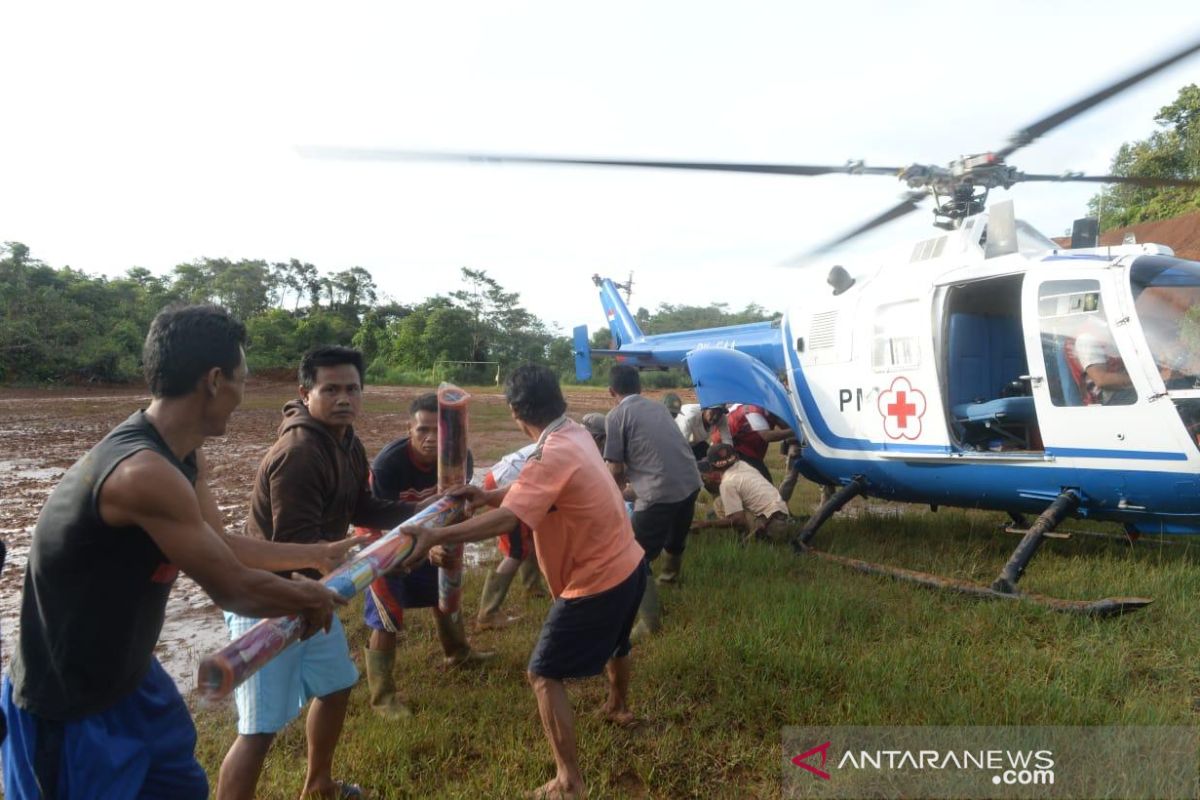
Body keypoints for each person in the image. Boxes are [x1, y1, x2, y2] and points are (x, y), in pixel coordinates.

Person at [1, 305, 348, 800]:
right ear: (213, 381)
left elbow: (225, 545)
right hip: (67, 707)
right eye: (242, 380)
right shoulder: (142, 472)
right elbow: (232, 585)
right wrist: (309, 598)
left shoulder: (182, 453)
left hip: (133, 679)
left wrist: (320, 552)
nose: (241, 396)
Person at [400, 364, 646, 800]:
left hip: (598, 580)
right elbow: (541, 494)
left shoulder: (550, 452)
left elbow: (514, 516)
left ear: (516, 411)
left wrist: (437, 535)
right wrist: (487, 495)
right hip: (630, 565)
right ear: (558, 399)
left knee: (542, 672)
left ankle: (568, 781)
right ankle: (618, 706)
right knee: (618, 641)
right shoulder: (575, 434)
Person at [217, 346, 417, 800]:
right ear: (306, 392)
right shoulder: (301, 452)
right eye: (332, 389)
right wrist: (335, 577)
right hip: (271, 596)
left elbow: (363, 507)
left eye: (352, 388)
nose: (345, 398)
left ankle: (319, 785)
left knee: (337, 685)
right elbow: (296, 544)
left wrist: (418, 510)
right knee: (260, 730)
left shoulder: (345, 440)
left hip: (314, 587)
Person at [357, 393, 495, 720]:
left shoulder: (459, 459)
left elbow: (457, 506)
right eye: (422, 430)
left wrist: (443, 543)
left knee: (445, 594)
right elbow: (379, 520)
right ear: (410, 429)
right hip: (382, 541)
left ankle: (457, 652)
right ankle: (382, 696)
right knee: (387, 617)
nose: (431, 438)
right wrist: (418, 550)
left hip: (431, 534)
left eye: (439, 431)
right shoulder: (389, 465)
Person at [604, 365, 701, 632]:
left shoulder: (616, 416)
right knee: (676, 535)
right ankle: (669, 578)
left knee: (633, 554)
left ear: (612, 391)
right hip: (691, 482)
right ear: (640, 388)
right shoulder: (659, 407)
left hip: (660, 490)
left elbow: (615, 468)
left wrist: (614, 497)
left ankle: (649, 622)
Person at [473, 441, 541, 630]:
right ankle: (488, 614)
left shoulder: (570, 435)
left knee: (530, 536)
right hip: (506, 482)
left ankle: (534, 589)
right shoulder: (579, 444)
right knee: (517, 550)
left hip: (502, 476)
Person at [691, 443, 797, 544]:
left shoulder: (728, 483)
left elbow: (738, 520)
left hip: (772, 529)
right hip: (784, 519)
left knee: (719, 503)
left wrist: (704, 524)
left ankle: (746, 537)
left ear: (713, 467)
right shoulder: (744, 465)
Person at [726, 403, 794, 482]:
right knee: (765, 483)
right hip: (739, 450)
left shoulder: (769, 410)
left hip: (750, 451)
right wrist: (795, 432)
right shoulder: (753, 408)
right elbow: (767, 436)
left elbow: (784, 425)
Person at [1074, 324, 1135, 405]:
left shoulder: (1123, 332)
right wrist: (1142, 380)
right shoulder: (1087, 338)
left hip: (1126, 388)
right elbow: (1102, 380)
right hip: (1111, 397)